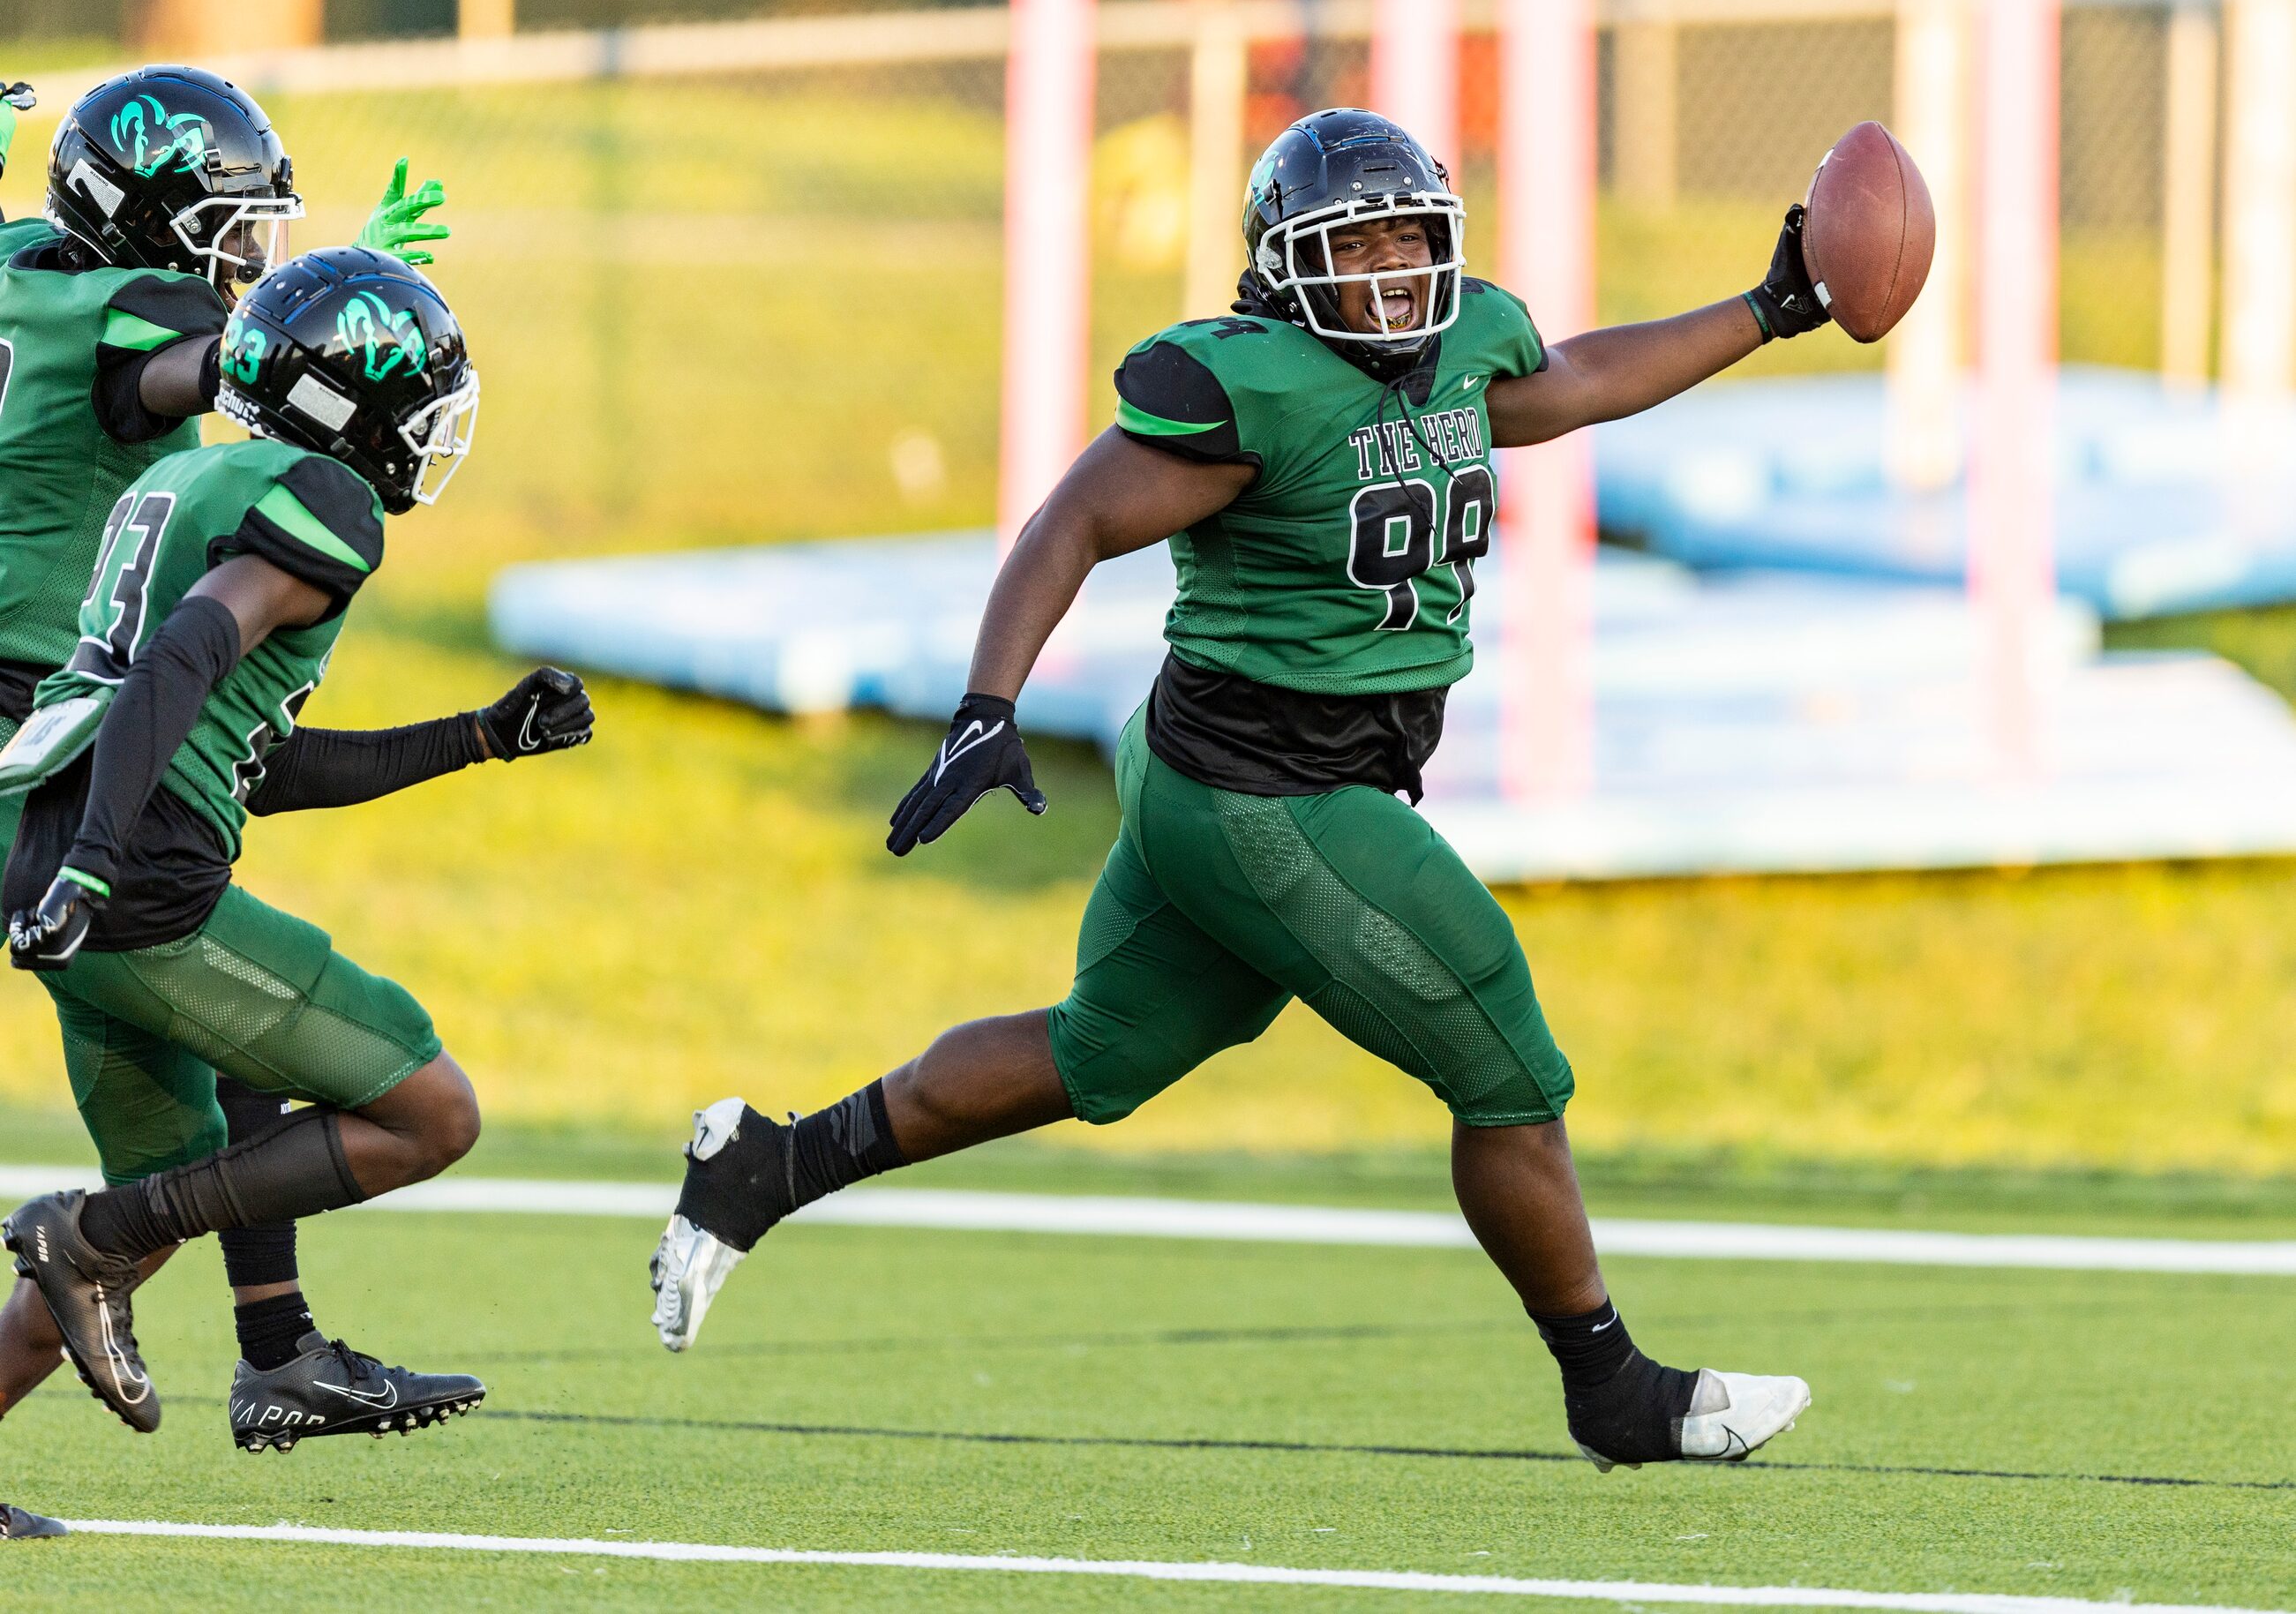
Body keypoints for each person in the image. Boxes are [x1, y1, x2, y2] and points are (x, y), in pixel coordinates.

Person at [653, 108, 1845, 1472]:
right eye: (1358, 247)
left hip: (1231, 777)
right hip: (1268, 787)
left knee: (1099, 1053)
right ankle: (1610, 1385)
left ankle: (765, 1166)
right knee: (1503, 1056)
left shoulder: (1466, 346)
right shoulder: (1249, 387)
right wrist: (987, 702)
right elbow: (1075, 520)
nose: (1395, 272)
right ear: (1283, 268)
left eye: (1414, 238)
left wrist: (1770, 307)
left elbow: (1575, 378)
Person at [0, 245, 594, 1452]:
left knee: (154, 1206)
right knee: (431, 1113)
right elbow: (180, 666)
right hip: (128, 879)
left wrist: (477, 737)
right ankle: (99, 1247)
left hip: (46, 843)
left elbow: (251, 762)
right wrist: (101, 865)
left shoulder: (197, 484)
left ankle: (157, 1282)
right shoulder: (328, 500)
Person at [0, 69, 462, 1481]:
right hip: (77, 711)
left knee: (179, 1128)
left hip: (53, 711)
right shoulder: (147, 333)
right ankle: (269, 1350)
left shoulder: (23, 263)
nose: (243, 255)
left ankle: (276, 1350)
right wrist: (336, 320)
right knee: (229, 1069)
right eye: (228, 227)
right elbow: (203, 371)